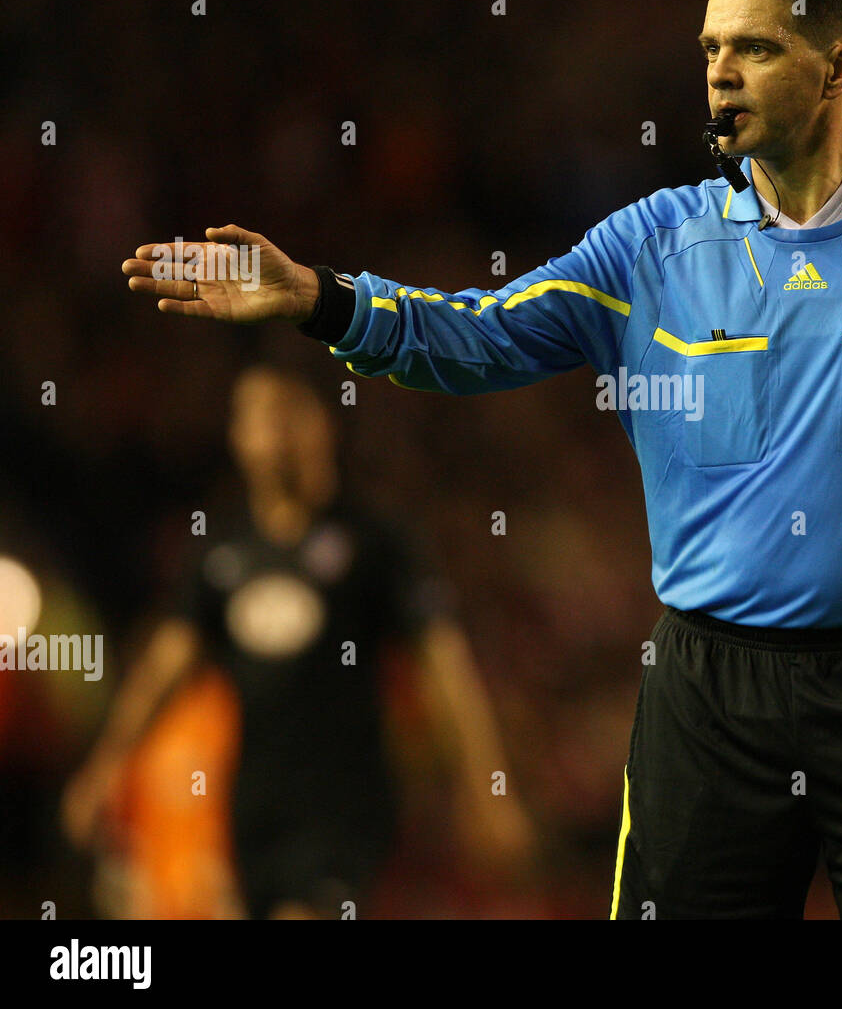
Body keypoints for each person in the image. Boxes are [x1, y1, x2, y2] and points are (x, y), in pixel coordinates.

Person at [121, 0, 842, 920]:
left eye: (753, 47)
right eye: (709, 49)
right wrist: (318, 297)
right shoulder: (648, 246)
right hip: (710, 695)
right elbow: (475, 336)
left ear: (838, 67)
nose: (720, 73)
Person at [63, 366, 533, 918]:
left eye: (286, 411)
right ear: (237, 436)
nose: (271, 430)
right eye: (254, 416)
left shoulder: (376, 542)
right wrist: (105, 767)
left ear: (323, 423)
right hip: (252, 808)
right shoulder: (221, 554)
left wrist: (485, 786)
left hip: (344, 807)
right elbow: (162, 670)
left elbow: (445, 667)